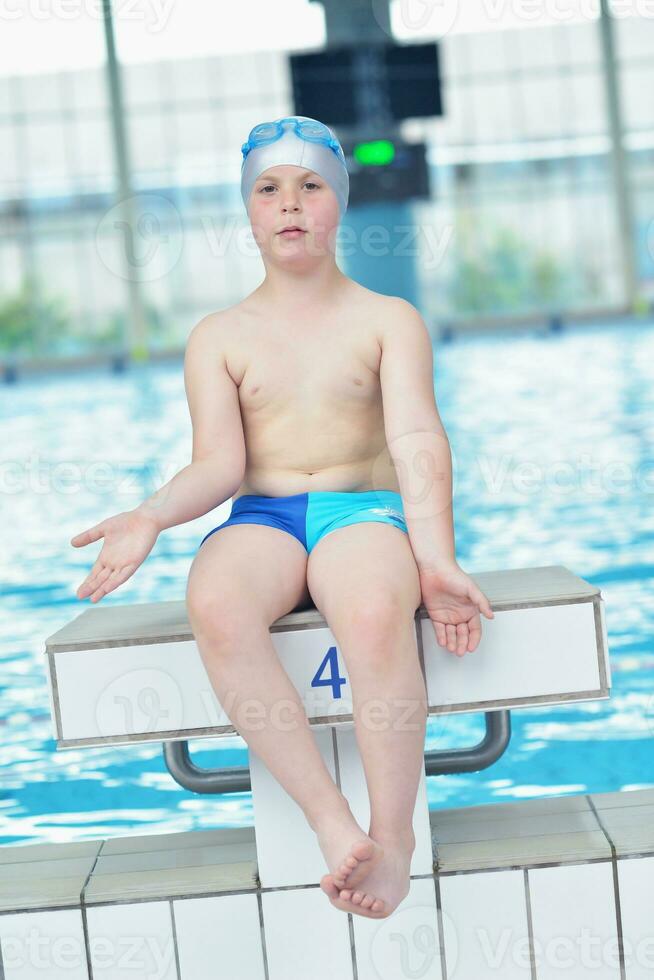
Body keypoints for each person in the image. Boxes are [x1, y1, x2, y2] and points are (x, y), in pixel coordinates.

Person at [71, 115, 494, 920]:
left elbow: (417, 442)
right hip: (261, 514)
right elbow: (218, 467)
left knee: (373, 610)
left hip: (360, 509)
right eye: (269, 189)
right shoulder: (219, 336)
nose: (290, 204)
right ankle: (335, 825)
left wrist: (435, 557)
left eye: (311, 187)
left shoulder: (386, 319)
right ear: (248, 212)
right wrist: (151, 517)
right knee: (217, 602)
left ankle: (393, 839)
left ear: (339, 204)